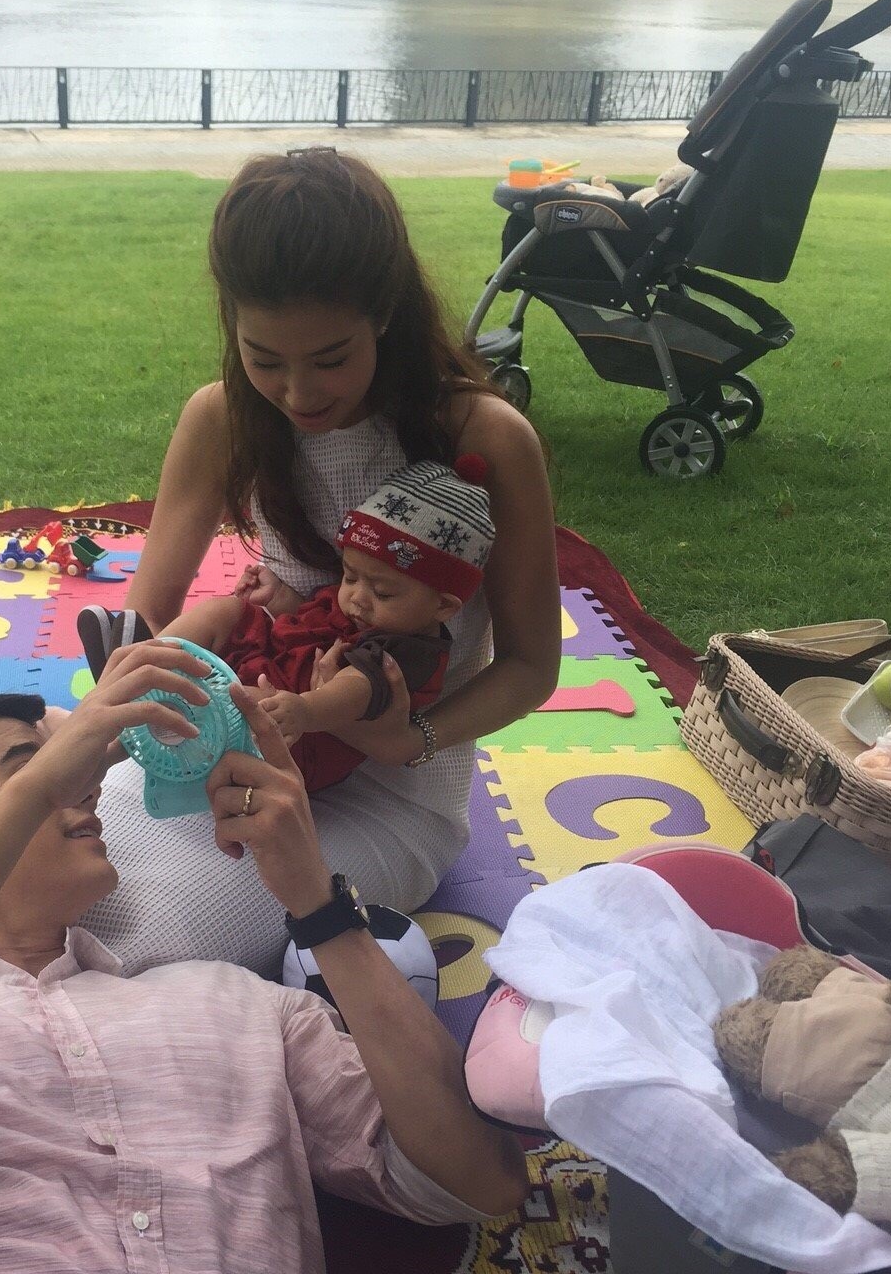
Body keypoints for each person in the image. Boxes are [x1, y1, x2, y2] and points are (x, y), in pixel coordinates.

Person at [0, 648, 530, 1272]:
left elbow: (474, 1181)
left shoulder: (240, 1003)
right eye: (36, 766)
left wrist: (318, 904)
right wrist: (41, 788)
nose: (90, 787)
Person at [79, 147, 559, 975]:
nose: (298, 394)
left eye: (331, 359)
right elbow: (147, 618)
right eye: (265, 359)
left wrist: (406, 738)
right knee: (38, 878)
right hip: (221, 750)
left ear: (385, 313)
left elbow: (530, 666)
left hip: (388, 795)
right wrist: (134, 713)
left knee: (155, 942)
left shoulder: (482, 436)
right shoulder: (221, 418)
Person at [82, 456, 494, 793]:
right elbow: (312, 617)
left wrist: (305, 710)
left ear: (443, 606)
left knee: (234, 709)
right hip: (269, 669)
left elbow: (358, 689)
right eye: (350, 576)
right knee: (226, 611)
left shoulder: (409, 649)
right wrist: (278, 595)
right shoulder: (363, 603)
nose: (356, 597)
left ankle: (152, 705)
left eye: (383, 592)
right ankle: (146, 660)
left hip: (296, 737)